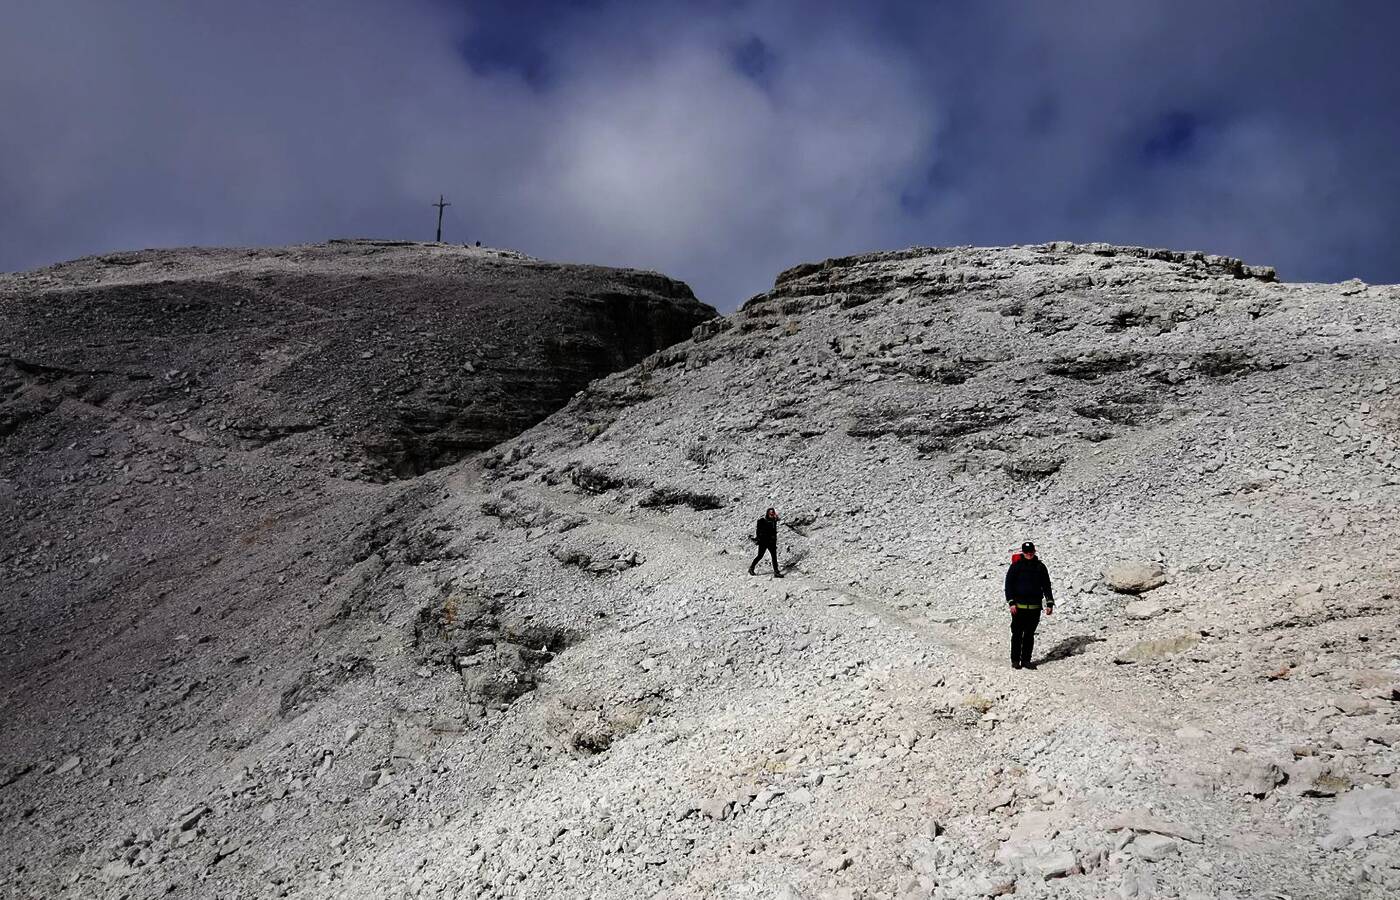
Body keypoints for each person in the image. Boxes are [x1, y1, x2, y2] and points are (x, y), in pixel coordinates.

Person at [1005, 541, 1054, 669]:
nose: (1029, 554)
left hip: (1034, 607)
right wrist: (1011, 602)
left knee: (1029, 634)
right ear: (1023, 552)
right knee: (1017, 634)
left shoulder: (1040, 567)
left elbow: (1046, 585)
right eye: (1026, 552)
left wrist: (1049, 602)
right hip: (1018, 607)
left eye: (1031, 552)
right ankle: (1015, 660)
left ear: (1034, 551)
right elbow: (1008, 585)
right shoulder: (1016, 566)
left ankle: (1026, 660)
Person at [749, 508, 783, 578]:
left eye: (773, 513)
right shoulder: (762, 521)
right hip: (763, 542)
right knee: (760, 556)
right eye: (770, 513)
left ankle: (776, 572)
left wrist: (774, 541)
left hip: (771, 542)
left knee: (774, 556)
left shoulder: (773, 521)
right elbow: (758, 532)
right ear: (767, 513)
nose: (772, 514)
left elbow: (774, 531)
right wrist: (759, 539)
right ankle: (751, 568)